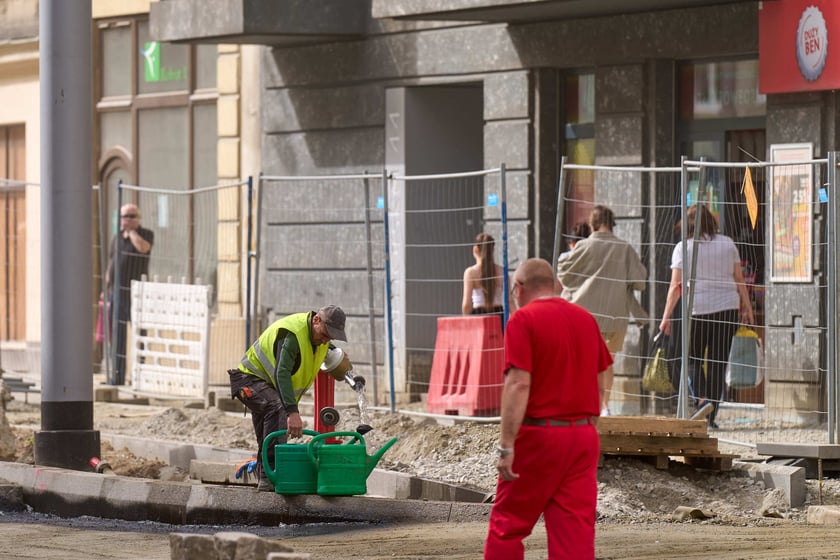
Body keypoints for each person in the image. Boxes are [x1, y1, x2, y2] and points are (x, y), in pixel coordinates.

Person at [484, 258, 612, 560]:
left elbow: (518, 383)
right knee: (575, 531)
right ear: (555, 285)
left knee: (508, 525)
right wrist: (593, 414)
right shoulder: (585, 318)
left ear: (519, 288)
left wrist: (506, 445)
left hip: (539, 437)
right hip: (582, 437)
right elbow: (604, 371)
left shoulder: (522, 320)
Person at [228, 305, 349, 491]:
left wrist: (340, 358)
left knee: (267, 434)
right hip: (247, 379)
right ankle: (272, 476)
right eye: (326, 333)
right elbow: (282, 373)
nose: (326, 340)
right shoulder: (293, 335)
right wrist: (292, 412)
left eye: (331, 337)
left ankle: (266, 477)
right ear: (316, 320)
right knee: (277, 409)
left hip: (265, 385)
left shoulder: (321, 341)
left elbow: (327, 348)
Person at [658, 204, 754, 428]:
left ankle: (701, 400)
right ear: (712, 221)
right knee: (718, 363)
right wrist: (747, 308)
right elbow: (739, 279)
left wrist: (666, 317)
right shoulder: (728, 243)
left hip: (697, 310)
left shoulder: (683, 248)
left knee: (691, 359)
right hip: (727, 309)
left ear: (687, 225)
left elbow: (676, 286)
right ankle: (711, 416)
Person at [556, 205, 647, 416]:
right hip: (616, 313)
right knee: (607, 361)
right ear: (612, 222)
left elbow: (563, 272)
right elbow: (640, 281)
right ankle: (605, 406)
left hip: (584, 314)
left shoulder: (583, 246)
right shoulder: (624, 248)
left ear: (592, 223)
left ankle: (585, 403)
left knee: (583, 361)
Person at [105, 203, 154, 385]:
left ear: (138, 218)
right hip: (117, 293)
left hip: (137, 293)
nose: (126, 220)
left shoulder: (145, 233)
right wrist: (106, 286)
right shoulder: (117, 238)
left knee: (139, 333)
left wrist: (132, 232)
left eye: (131, 216)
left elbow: (144, 248)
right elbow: (111, 263)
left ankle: (139, 375)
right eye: (124, 216)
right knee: (117, 335)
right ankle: (117, 376)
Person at [462, 232, 505, 322]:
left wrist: (465, 321)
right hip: (498, 315)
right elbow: (510, 300)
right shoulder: (502, 271)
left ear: (475, 250)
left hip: (478, 315)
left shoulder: (471, 272)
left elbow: (467, 304)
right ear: (493, 250)